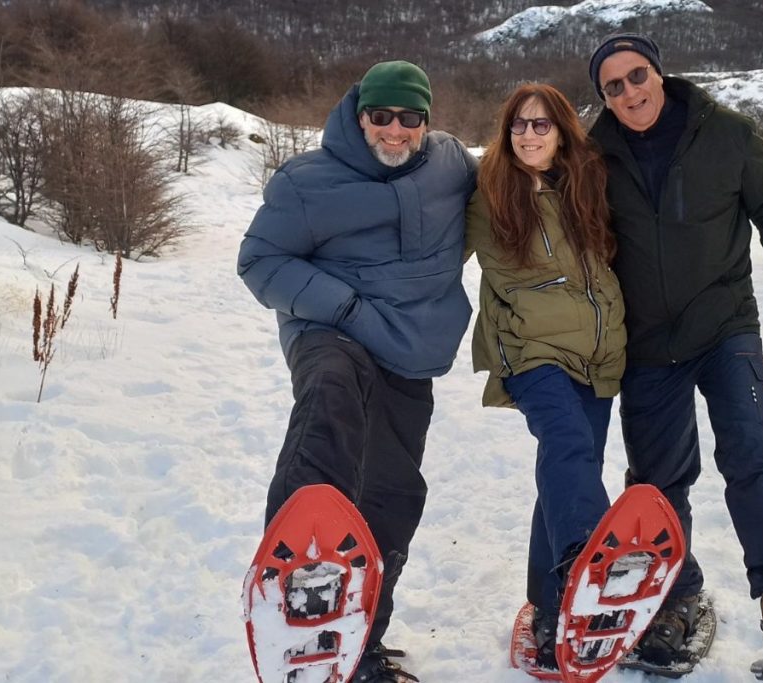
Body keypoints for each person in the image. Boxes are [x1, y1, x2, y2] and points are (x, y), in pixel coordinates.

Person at [586, 33, 763, 668]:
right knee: (657, 480)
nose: (629, 92)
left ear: (658, 72)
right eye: (612, 86)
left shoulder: (724, 132)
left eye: (636, 75)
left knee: (756, 453)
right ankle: (675, 597)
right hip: (646, 343)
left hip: (724, 324)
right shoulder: (594, 153)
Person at [237, 60, 477, 683]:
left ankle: (358, 641)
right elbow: (260, 260)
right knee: (330, 400)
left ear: (426, 120)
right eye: (381, 116)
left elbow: (515, 190)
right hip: (331, 330)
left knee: (393, 492)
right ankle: (297, 570)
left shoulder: (453, 165)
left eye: (409, 117)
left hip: (408, 349)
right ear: (358, 114)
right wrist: (340, 304)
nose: (394, 130)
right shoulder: (306, 182)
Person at [465, 83, 626, 670]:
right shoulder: (489, 189)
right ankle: (591, 555)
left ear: (561, 132)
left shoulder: (587, 183)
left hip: (598, 352)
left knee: (570, 469)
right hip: (530, 351)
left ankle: (551, 608)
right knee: (566, 444)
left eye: (540, 126)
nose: (527, 135)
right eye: (518, 126)